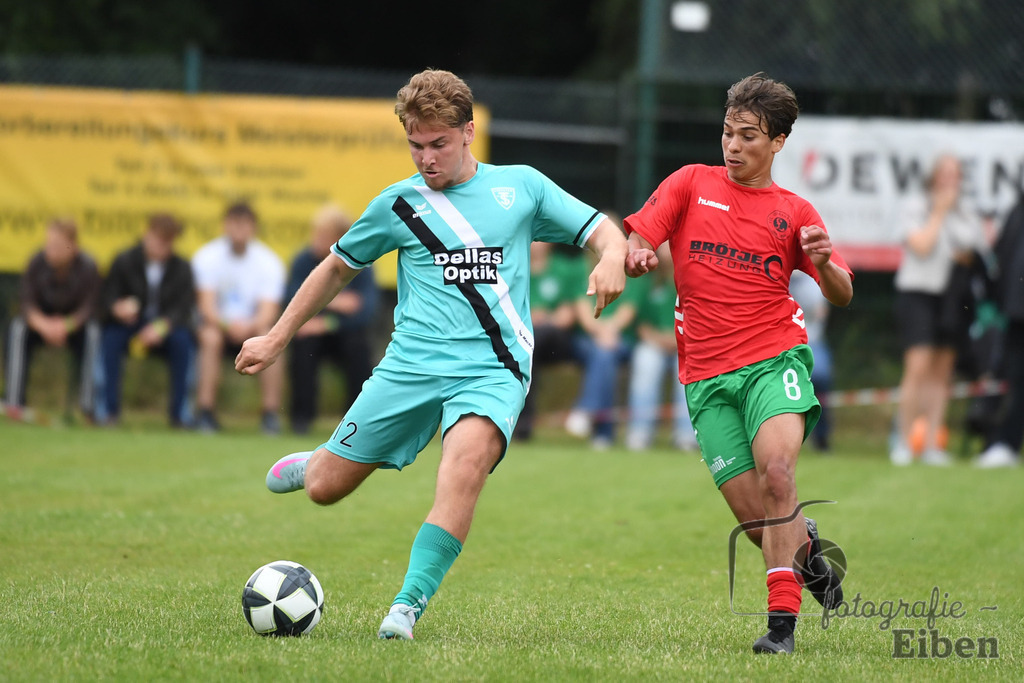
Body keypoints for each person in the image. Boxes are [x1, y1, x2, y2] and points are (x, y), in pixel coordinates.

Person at [234, 69, 628, 641]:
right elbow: (336, 268)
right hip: (410, 367)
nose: (427, 158)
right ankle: (317, 461)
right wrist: (276, 336)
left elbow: (601, 230)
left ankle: (406, 607)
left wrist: (612, 257)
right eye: (415, 145)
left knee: (462, 468)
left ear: (468, 132)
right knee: (325, 489)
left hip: (493, 369)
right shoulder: (398, 205)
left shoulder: (520, 188)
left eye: (438, 144)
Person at [624, 73, 854, 654]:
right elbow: (639, 240)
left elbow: (842, 291)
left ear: (777, 143)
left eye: (748, 136)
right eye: (727, 132)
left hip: (773, 359)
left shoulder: (794, 211)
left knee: (778, 476)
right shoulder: (688, 183)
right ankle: (808, 555)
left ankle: (782, 629)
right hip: (704, 377)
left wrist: (826, 267)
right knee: (760, 526)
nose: (733, 145)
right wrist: (637, 254)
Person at [890, 154, 987, 466]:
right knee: (918, 366)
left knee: (942, 371)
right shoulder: (915, 205)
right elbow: (921, 245)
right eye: (944, 174)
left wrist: (950, 216)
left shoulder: (966, 211)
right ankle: (903, 441)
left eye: (955, 174)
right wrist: (939, 213)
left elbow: (970, 249)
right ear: (933, 177)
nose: (950, 180)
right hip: (918, 293)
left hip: (951, 298)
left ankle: (932, 443)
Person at [191, 201, 286, 434]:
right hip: (218, 326)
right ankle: (205, 411)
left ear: (253, 228)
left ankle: (270, 414)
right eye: (234, 224)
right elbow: (205, 306)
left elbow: (268, 309)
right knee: (210, 338)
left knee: (271, 338)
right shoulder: (207, 256)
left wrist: (249, 327)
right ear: (225, 226)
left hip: (253, 327)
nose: (238, 231)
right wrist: (226, 325)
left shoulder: (269, 261)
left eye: (244, 225)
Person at [286, 204, 380, 434]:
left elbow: (365, 312)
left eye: (323, 235)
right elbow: (291, 299)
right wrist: (337, 300)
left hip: (343, 332)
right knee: (303, 346)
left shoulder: (362, 264)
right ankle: (301, 420)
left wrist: (325, 320)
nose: (316, 240)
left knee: (358, 347)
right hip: (311, 333)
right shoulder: (302, 260)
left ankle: (355, 423)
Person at [96, 213, 196, 427]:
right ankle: (107, 410)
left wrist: (161, 327)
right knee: (110, 339)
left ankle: (180, 413)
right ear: (147, 235)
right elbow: (106, 297)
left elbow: (183, 308)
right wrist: (117, 308)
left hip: (165, 329)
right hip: (128, 325)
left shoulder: (182, 267)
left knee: (183, 342)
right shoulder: (123, 260)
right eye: (158, 239)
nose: (162, 246)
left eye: (167, 241)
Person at [3, 218, 101, 420]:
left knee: (94, 333)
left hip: (74, 327)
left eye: (56, 245)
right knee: (18, 328)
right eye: (48, 244)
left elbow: (90, 307)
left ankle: (87, 408)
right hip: (41, 325)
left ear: (73, 246)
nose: (50, 250)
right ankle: (14, 403)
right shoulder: (36, 262)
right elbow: (26, 302)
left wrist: (66, 326)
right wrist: (44, 325)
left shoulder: (88, 266)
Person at [563, 247, 643, 449]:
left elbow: (628, 310)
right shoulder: (581, 271)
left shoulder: (631, 273)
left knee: (604, 354)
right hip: (588, 339)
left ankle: (587, 410)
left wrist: (609, 331)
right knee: (604, 355)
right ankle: (604, 434)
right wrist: (602, 333)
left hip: (620, 338)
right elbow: (583, 312)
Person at [624, 243, 697, 452]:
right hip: (653, 344)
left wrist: (677, 340)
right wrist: (658, 338)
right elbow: (640, 324)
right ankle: (639, 433)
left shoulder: (693, 279)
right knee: (645, 361)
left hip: (686, 343)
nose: (666, 250)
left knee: (687, 369)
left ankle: (686, 435)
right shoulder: (646, 280)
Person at [513, 241, 586, 441]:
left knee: (534, 339)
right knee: (526, 349)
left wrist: (541, 319)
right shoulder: (512, 266)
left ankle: (523, 423)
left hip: (557, 340)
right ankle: (519, 424)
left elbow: (568, 315)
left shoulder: (564, 268)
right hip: (523, 340)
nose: (536, 242)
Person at [975, 192, 1024, 468]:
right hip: (1016, 313)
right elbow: (1003, 257)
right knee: (1012, 378)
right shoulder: (1018, 208)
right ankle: (1004, 443)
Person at [789, 270, 833, 452]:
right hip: (780, 343)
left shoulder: (811, 281)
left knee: (821, 378)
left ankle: (821, 437)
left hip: (810, 341)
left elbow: (820, 312)